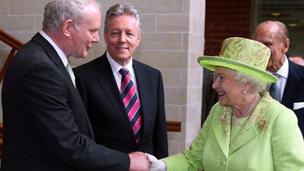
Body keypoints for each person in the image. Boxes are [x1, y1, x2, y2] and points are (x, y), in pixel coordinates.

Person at [1, 0, 150, 170]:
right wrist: (129, 161)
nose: (96, 39)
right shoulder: (40, 68)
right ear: (67, 28)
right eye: (92, 31)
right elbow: (71, 145)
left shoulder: (45, 59)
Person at [148, 37, 304, 171]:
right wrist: (161, 165)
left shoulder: (280, 118)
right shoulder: (218, 111)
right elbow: (194, 158)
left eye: (221, 78)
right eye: (215, 77)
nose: (214, 85)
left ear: (246, 83)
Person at [74, 3, 168, 159]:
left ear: (138, 39)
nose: (122, 40)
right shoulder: (83, 77)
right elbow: (83, 139)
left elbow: (160, 136)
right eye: (115, 33)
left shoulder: (153, 77)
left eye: (129, 34)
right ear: (105, 36)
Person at [253, 20, 304, 135]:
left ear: (285, 46)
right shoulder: (246, 80)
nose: (261, 50)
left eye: (267, 44)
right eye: (257, 44)